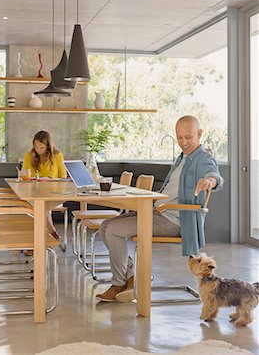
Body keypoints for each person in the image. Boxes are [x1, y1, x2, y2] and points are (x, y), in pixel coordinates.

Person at [96, 115, 224, 303]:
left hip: (175, 220)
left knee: (115, 231)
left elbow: (214, 175)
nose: (183, 142)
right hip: (159, 212)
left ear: (199, 134)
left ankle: (118, 283)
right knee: (105, 226)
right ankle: (130, 277)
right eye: (179, 137)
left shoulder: (203, 158)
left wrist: (209, 182)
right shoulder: (182, 158)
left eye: (188, 137)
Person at [21, 130, 67, 243]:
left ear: (48, 146)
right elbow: (25, 175)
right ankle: (50, 234)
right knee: (39, 206)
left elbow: (63, 177)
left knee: (39, 208)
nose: (38, 150)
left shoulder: (57, 155)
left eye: (41, 147)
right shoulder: (29, 155)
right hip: (35, 193)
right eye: (36, 146)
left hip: (55, 194)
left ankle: (34, 243)